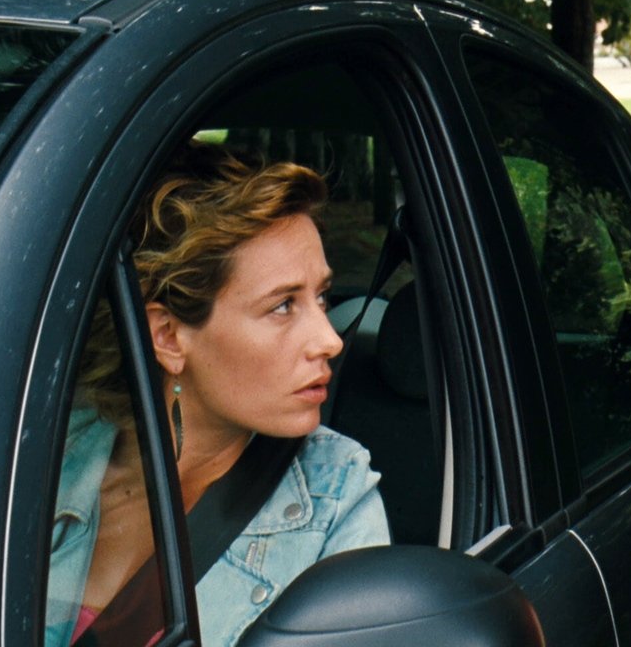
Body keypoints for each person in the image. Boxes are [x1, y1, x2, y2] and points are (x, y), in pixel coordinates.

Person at [46, 142, 391, 647]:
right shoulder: (39, 460)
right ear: (167, 336)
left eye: (321, 296)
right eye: (282, 306)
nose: (330, 339)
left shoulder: (335, 499)